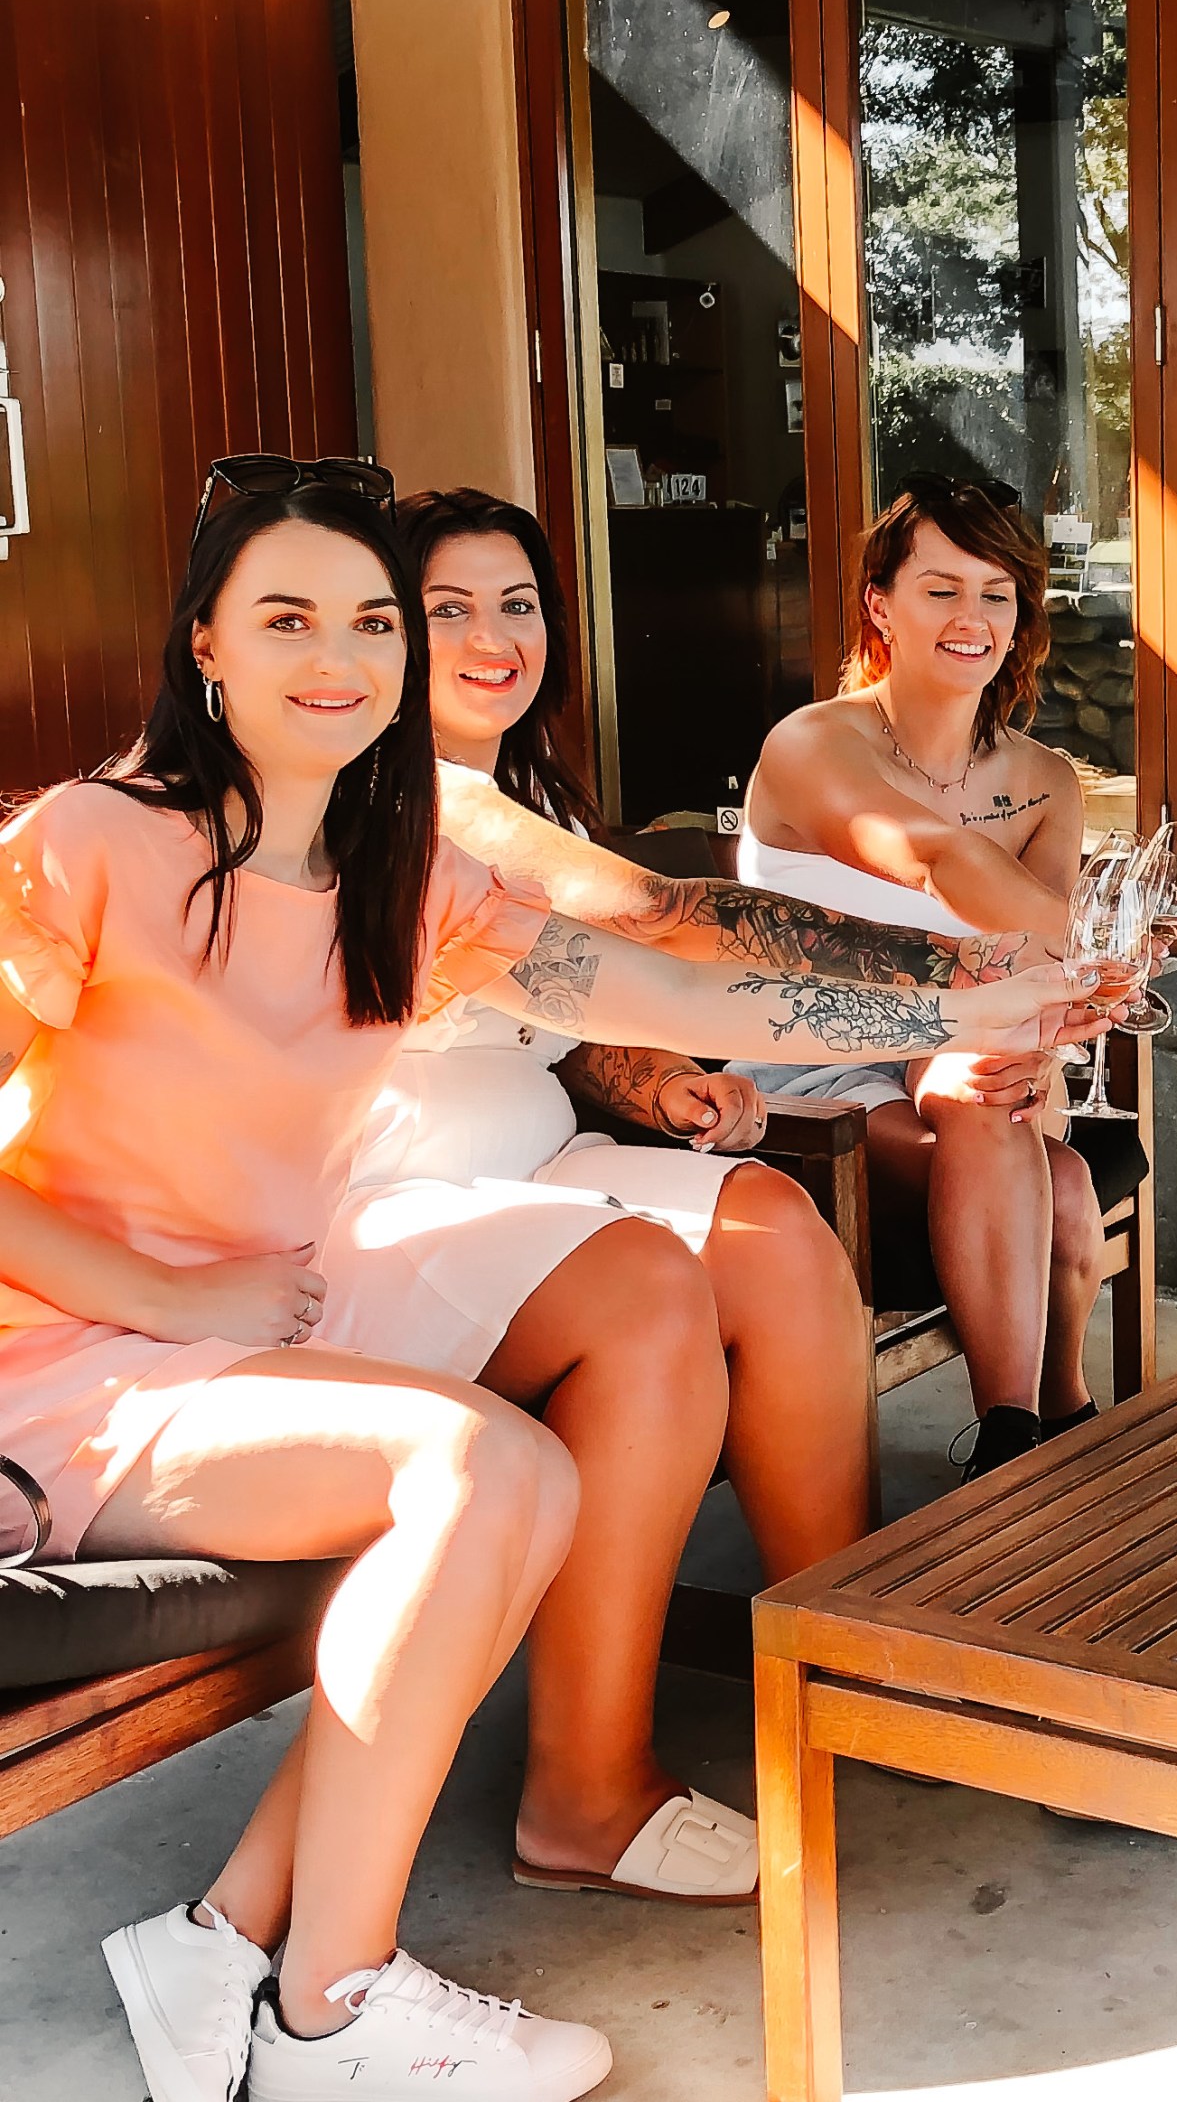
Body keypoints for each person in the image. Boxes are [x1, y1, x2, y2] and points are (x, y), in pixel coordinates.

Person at [1, 466, 1089, 2102]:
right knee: (486, 1466)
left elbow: (683, 957)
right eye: (289, 615)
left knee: (587, 1362)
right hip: (78, 1362)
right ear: (207, 646)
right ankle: (327, 2013)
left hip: (268, 1311)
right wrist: (174, 1302)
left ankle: (230, 1943)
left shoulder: (394, 881)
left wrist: (1000, 986)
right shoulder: (90, 844)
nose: (343, 654)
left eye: (372, 619)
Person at [311, 490, 957, 1914]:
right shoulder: (383, 788)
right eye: (450, 611)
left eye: (519, 604)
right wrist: (966, 983)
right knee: (649, 1291)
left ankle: (843, 1657)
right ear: (388, 639)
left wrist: (652, 1080)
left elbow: (545, 998)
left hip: (532, 1163)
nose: (494, 638)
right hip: (389, 1202)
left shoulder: (518, 789)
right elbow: (661, 929)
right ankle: (583, 1792)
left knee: (771, 1229)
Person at [741, 475, 1112, 1478]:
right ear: (879, 604)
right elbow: (940, 862)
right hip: (809, 1061)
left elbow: (1041, 977)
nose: (972, 618)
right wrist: (1112, 949)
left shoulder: (1044, 783)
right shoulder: (816, 744)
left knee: (1055, 1164)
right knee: (1002, 1117)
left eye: (997, 593)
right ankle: (1024, 1438)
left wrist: (1049, 1057)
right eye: (940, 589)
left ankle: (1039, 1427)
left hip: (968, 1055)